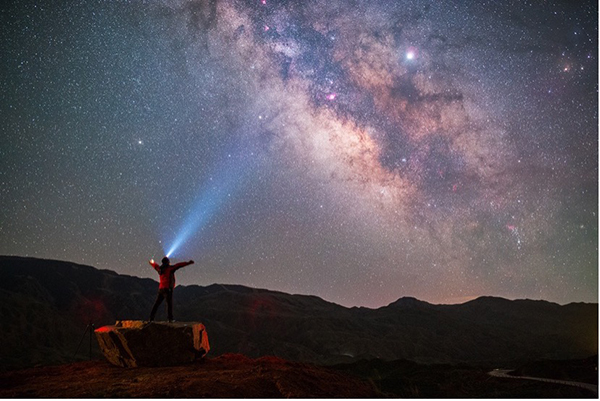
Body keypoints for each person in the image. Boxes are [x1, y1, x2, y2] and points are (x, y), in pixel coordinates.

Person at [149, 256, 194, 322]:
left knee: (157, 304)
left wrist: (151, 262)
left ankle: (151, 318)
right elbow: (178, 265)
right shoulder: (170, 268)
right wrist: (188, 263)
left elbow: (155, 265)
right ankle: (170, 319)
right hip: (168, 289)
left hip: (161, 289)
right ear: (168, 262)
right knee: (169, 304)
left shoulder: (159, 269)